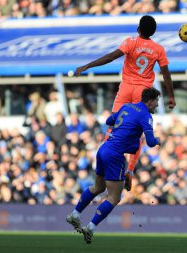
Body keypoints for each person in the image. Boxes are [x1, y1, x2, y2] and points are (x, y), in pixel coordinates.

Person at [74, 15, 175, 192]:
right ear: (154, 32)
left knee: (114, 127)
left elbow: (111, 57)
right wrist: (171, 96)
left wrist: (87, 66)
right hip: (143, 93)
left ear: (138, 29)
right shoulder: (158, 49)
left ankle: (105, 168)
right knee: (137, 133)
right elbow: (166, 73)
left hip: (126, 88)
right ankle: (129, 170)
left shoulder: (131, 42)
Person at [66, 88, 162, 244]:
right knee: (114, 197)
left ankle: (75, 214)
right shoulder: (146, 115)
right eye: (156, 102)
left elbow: (109, 121)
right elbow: (150, 142)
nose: (157, 105)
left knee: (98, 188)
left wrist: (125, 128)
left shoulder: (127, 106)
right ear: (150, 101)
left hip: (104, 148)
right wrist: (157, 139)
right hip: (115, 155)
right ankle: (90, 228)